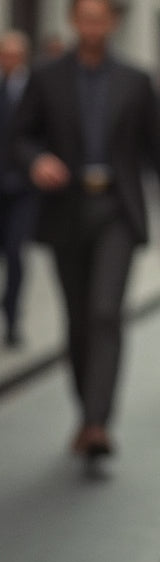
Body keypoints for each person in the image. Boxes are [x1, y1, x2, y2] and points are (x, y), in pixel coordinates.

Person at [11, 0, 160, 461]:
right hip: (66, 210)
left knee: (106, 313)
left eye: (100, 18)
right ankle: (86, 408)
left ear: (111, 23)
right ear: (72, 20)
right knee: (78, 320)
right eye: (84, 18)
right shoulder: (46, 78)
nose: (92, 26)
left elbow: (158, 155)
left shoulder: (135, 80)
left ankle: (96, 423)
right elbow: (18, 137)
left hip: (117, 212)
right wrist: (37, 160)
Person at [0, 30, 38, 348]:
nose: (8, 60)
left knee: (15, 253)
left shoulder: (35, 88)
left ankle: (12, 318)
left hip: (24, 189)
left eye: (13, 54)